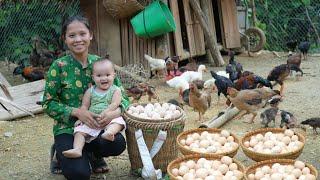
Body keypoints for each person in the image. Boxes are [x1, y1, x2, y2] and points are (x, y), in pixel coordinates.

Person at [42, 15, 130, 179]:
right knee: (79, 174)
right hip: (69, 129)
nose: (78, 40)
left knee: (116, 143)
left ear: (90, 35)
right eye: (72, 35)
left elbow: (124, 97)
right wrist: (77, 112)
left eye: (82, 34)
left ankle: (93, 154)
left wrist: (113, 113)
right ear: (65, 39)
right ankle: (60, 152)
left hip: (99, 126)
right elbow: (48, 103)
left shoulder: (101, 64)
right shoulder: (58, 67)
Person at [62, 59, 126, 158]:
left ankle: (109, 133)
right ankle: (77, 149)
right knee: (79, 132)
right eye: (99, 76)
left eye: (107, 75)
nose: (103, 78)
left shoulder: (115, 90)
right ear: (93, 77)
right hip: (91, 120)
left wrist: (108, 112)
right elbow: (84, 107)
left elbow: (115, 103)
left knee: (118, 122)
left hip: (109, 117)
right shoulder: (90, 91)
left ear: (114, 75)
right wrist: (80, 118)